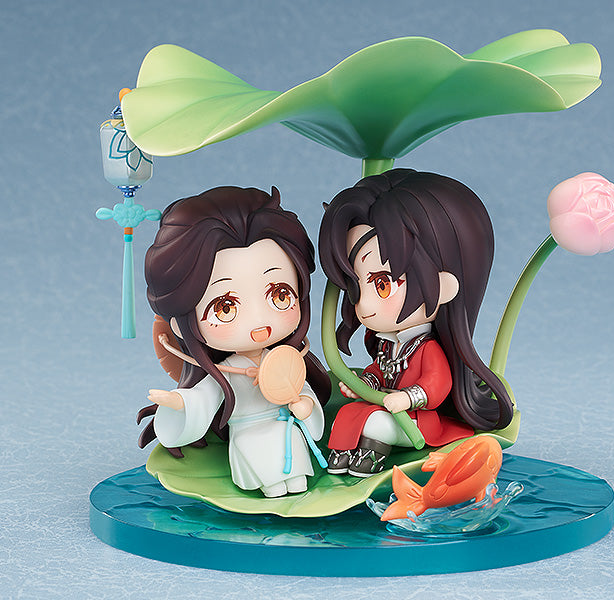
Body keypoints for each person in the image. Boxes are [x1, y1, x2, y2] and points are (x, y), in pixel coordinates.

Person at [137, 186, 330, 497]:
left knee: (295, 473)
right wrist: (180, 404)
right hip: (248, 435)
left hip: (285, 429)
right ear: (182, 321)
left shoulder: (285, 360)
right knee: (268, 475)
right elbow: (203, 399)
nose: (259, 322)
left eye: (280, 294)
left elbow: (301, 390)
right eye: (225, 307)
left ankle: (296, 482)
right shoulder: (227, 371)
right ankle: (271, 489)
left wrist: (304, 406)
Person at [319, 169, 513, 477]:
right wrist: (365, 385)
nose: (364, 305)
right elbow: (379, 370)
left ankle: (370, 457)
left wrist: (408, 397)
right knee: (348, 412)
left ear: (444, 285)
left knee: (377, 423)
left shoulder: (427, 349)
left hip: (418, 419)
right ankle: (341, 456)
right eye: (355, 285)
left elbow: (437, 384)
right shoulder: (387, 344)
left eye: (382, 284)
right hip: (387, 405)